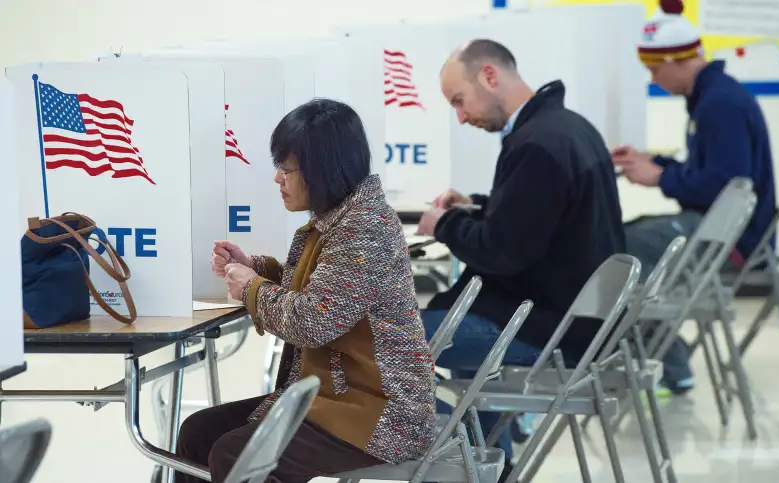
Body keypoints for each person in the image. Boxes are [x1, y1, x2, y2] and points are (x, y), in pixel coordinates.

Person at [176, 99, 437, 483]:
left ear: (322, 170)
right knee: (199, 433)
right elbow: (322, 292)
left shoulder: (363, 229)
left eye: (286, 168)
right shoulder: (343, 217)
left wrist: (251, 287)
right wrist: (257, 270)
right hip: (339, 398)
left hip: (381, 413)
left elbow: (314, 321)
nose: (277, 179)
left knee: (234, 454)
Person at [415, 39, 626, 480]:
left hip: (544, 328)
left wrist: (444, 226)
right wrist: (476, 205)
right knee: (444, 342)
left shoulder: (536, 144)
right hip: (573, 318)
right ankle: (492, 462)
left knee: (380, 346)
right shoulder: (567, 128)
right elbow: (543, 216)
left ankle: (466, 460)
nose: (461, 116)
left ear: (489, 76)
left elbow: (503, 251)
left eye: (459, 101)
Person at [611, 0, 777, 395]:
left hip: (735, 239)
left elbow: (723, 185)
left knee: (619, 248)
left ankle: (669, 362)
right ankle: (669, 354)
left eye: (655, 69)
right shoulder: (713, 96)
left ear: (677, 59)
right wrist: (657, 163)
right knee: (625, 239)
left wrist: (661, 178)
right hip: (721, 228)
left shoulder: (719, 103)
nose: (654, 78)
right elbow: (711, 171)